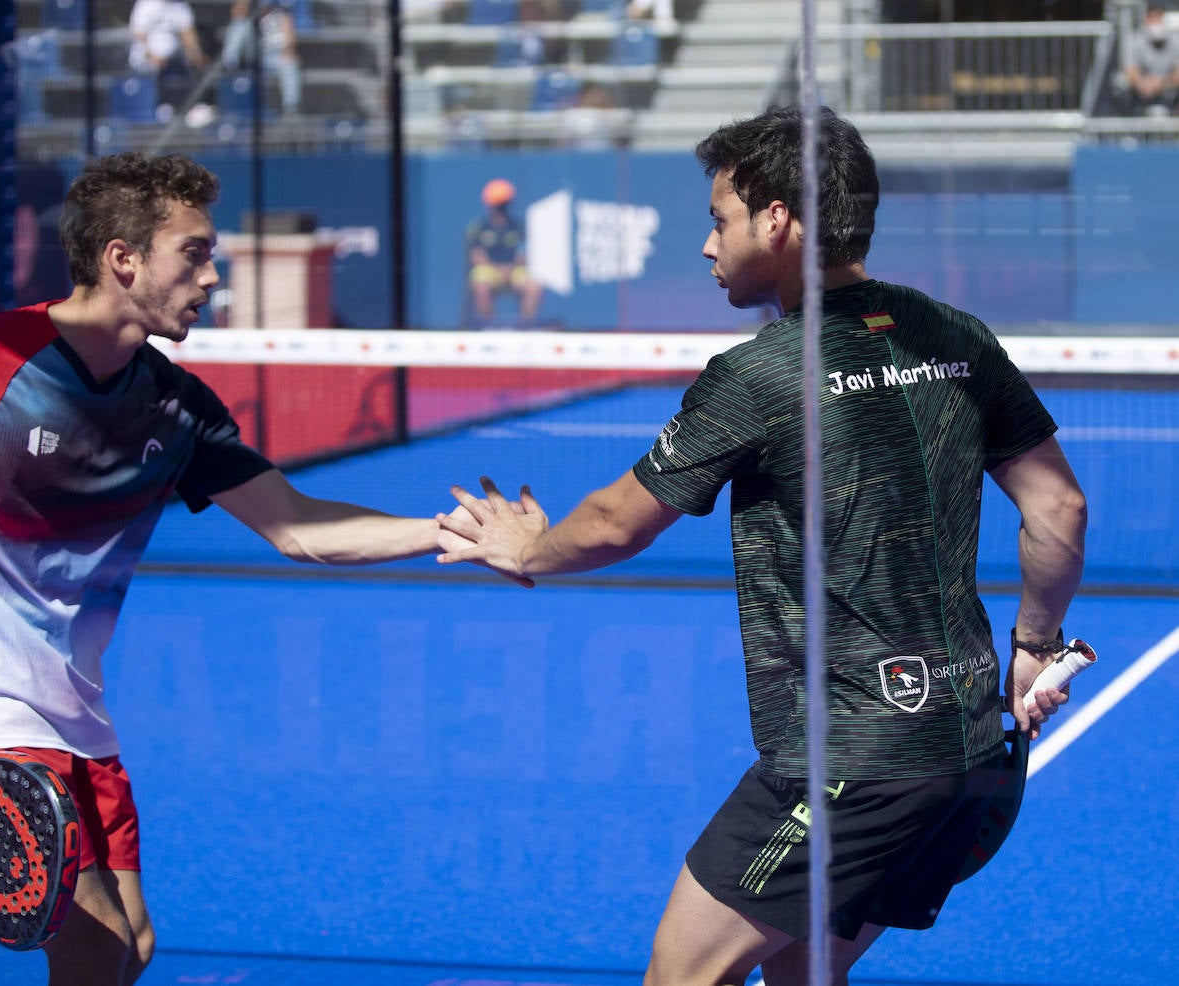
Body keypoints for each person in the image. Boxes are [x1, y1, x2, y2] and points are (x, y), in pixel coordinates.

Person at [435, 107, 1088, 986]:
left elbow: (618, 521)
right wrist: (1035, 645)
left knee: (683, 975)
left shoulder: (762, 373)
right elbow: (1060, 509)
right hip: (970, 755)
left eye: (719, 220)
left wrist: (527, 549)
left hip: (852, 764)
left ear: (775, 219)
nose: (709, 246)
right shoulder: (956, 337)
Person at [0, 152, 465, 986]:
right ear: (123, 259)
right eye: (193, 252)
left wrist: (448, 530)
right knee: (94, 945)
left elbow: (298, 528)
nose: (212, 274)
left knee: (132, 948)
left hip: (76, 711)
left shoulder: (177, 405)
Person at [466, 177, 543, 328]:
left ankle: (525, 327)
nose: (500, 209)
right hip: (490, 270)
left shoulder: (518, 227)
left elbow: (525, 254)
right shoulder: (479, 228)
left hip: (515, 271)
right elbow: (476, 256)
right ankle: (487, 327)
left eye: (503, 205)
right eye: (497, 205)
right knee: (480, 285)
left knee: (534, 286)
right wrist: (498, 269)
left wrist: (510, 268)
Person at [127, 0, 209, 117]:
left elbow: (188, 35)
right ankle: (160, 107)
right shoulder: (145, 4)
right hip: (146, 59)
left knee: (192, 66)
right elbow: (139, 34)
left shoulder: (180, 6)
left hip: (173, 60)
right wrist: (152, 57)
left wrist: (196, 55)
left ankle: (190, 108)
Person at [221, 0, 302, 116]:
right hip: (252, 52)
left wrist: (288, 49)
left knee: (289, 63)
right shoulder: (249, 14)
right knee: (239, 25)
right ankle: (229, 62)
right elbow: (236, 12)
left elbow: (291, 39)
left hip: (273, 56)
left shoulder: (280, 13)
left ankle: (291, 107)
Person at [1123, 3, 1179, 116]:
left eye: (1158, 16)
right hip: (1141, 95)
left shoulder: (1175, 39)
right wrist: (1142, 83)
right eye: (1150, 16)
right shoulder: (1134, 39)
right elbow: (1129, 71)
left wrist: (1161, 83)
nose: (1155, 21)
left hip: (1171, 94)